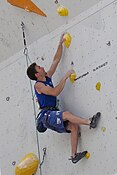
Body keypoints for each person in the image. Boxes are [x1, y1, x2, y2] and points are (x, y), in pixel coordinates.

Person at [26, 34, 101, 164]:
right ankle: (90, 122)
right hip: (46, 115)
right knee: (66, 114)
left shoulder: (47, 77)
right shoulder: (39, 85)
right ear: (37, 74)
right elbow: (55, 92)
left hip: (52, 112)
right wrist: (65, 77)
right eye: (39, 67)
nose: (42, 67)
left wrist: (59, 44)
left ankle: (74, 155)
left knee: (73, 127)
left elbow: (56, 60)